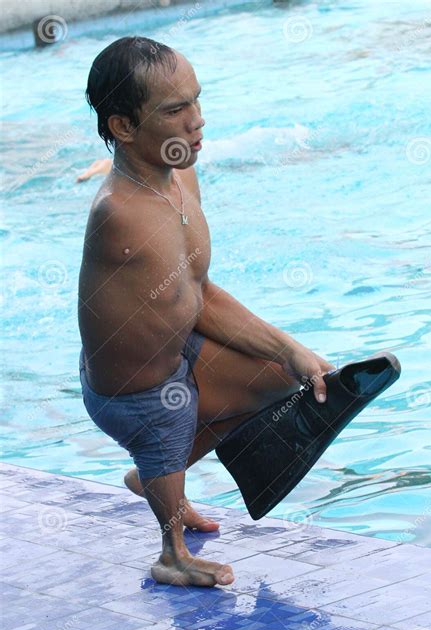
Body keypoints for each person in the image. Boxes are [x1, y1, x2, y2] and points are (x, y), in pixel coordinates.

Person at [78, 36, 335, 588]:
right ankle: (171, 550)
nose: (197, 121)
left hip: (180, 348)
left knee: (278, 378)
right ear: (123, 127)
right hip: (135, 393)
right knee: (166, 423)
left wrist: (288, 347)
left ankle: (152, 478)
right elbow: (192, 299)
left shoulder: (178, 175)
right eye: (174, 111)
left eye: (196, 101)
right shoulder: (123, 215)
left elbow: (198, 292)